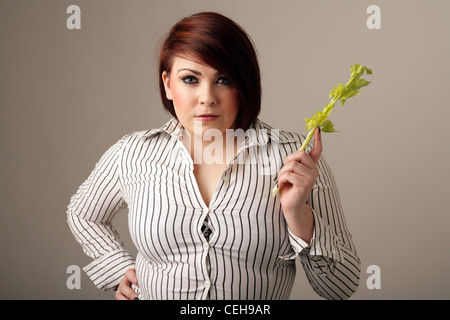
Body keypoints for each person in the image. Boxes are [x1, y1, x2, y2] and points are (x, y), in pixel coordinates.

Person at [67, 11, 360, 300]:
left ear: (244, 85)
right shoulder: (133, 153)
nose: (207, 97)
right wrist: (119, 268)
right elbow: (83, 214)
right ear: (168, 84)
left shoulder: (294, 158)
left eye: (223, 80)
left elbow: (341, 287)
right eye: (190, 79)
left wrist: (299, 214)